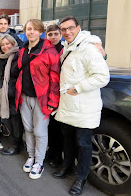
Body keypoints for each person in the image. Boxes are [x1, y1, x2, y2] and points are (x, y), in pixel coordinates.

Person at [54, 16, 110, 195]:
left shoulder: (89, 47)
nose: (67, 32)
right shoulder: (67, 48)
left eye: (70, 28)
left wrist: (77, 88)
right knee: (68, 140)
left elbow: (102, 77)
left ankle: (81, 178)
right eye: (63, 29)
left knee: (83, 144)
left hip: (84, 107)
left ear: (79, 28)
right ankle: (68, 166)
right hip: (68, 106)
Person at [13, 19, 60, 179]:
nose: (31, 32)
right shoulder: (22, 50)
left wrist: (53, 101)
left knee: (40, 132)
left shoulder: (49, 51)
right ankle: (31, 156)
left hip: (42, 99)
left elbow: (55, 79)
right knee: (28, 130)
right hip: (24, 96)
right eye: (28, 29)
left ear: (40, 32)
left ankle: (39, 162)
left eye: (34, 29)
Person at [0, 34, 24, 155]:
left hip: (15, 93)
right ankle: (17, 143)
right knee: (8, 119)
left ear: (13, 43)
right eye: (2, 45)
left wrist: (12, 90)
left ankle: (16, 145)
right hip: (5, 93)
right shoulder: (1, 58)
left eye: (7, 44)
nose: (5, 46)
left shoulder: (18, 55)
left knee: (15, 120)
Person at [45, 24, 64, 168]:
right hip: (48, 93)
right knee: (50, 127)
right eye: (50, 34)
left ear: (60, 35)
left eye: (55, 34)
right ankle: (51, 152)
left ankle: (58, 157)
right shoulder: (45, 49)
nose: (53, 37)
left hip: (62, 93)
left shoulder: (64, 50)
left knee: (59, 128)